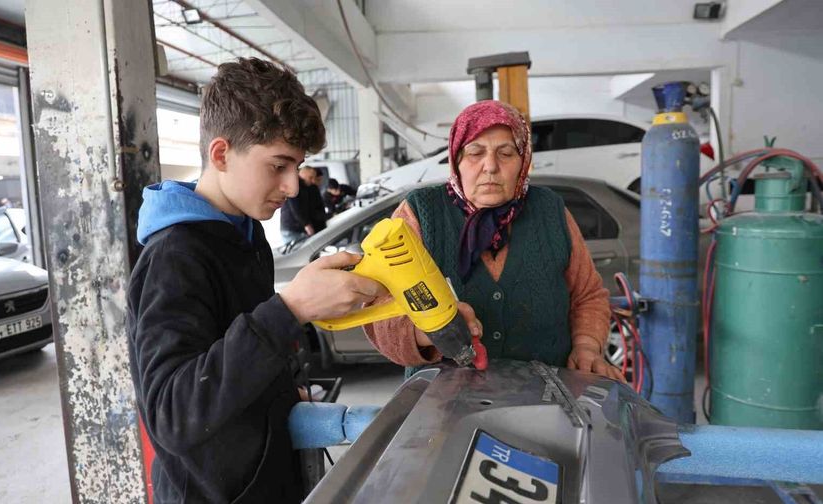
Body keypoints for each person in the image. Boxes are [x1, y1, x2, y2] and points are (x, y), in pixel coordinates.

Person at [126, 57, 385, 504]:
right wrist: (290, 310)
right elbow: (172, 413)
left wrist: (281, 393)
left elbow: (234, 355)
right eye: (278, 165)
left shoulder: (247, 237)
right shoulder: (174, 257)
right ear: (221, 154)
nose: (291, 186)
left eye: (297, 166)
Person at [365, 100, 624, 382]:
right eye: (475, 152)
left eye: (506, 153)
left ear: (522, 160)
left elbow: (587, 296)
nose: (490, 166)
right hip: (442, 404)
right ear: (456, 160)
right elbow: (380, 308)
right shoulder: (420, 212)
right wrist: (426, 332)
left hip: (544, 401)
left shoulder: (550, 210)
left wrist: (587, 347)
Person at [280, 166, 326, 242]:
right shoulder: (294, 185)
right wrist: (307, 225)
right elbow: (296, 208)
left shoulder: (304, 187)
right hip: (292, 229)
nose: (312, 181)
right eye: (310, 177)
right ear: (303, 174)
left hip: (299, 228)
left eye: (313, 178)